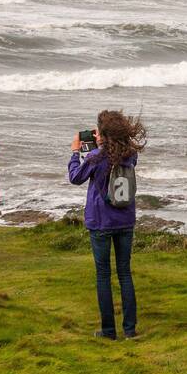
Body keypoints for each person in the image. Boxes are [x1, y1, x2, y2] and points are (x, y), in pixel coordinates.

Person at [67, 110, 146, 339]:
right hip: (125, 220)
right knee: (124, 273)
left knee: (103, 274)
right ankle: (130, 330)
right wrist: (97, 145)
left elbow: (75, 177)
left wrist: (75, 152)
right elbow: (110, 159)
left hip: (101, 222)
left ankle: (109, 331)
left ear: (103, 134)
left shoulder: (95, 158)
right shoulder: (130, 155)